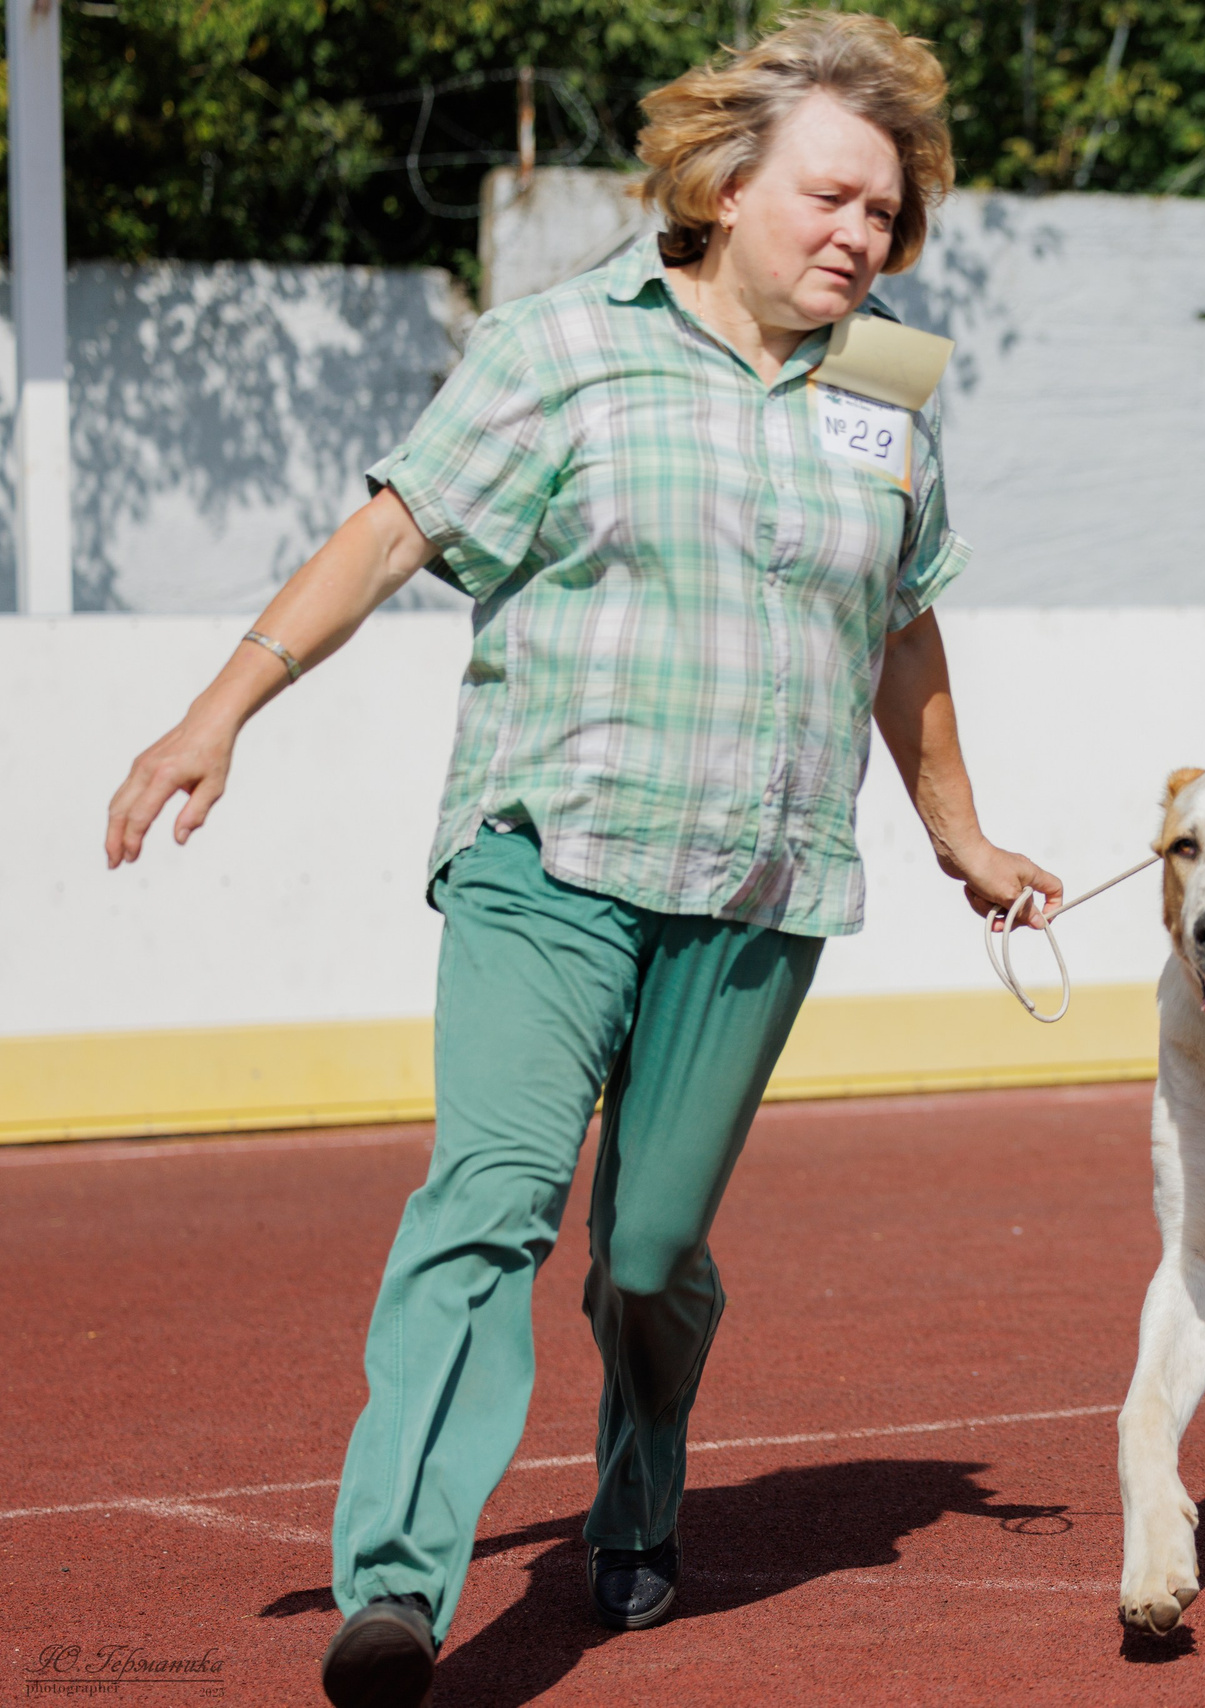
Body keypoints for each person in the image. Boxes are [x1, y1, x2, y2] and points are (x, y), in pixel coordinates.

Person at [100, 16, 1056, 1706]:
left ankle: (638, 1484)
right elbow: (395, 527)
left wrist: (962, 836)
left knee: (646, 1257)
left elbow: (904, 626)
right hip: (549, 856)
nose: (861, 237)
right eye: (832, 199)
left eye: (888, 218)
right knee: (492, 1199)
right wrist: (217, 709)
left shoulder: (887, 384)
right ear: (723, 184)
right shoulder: (561, 347)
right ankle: (394, 1592)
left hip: (759, 888)